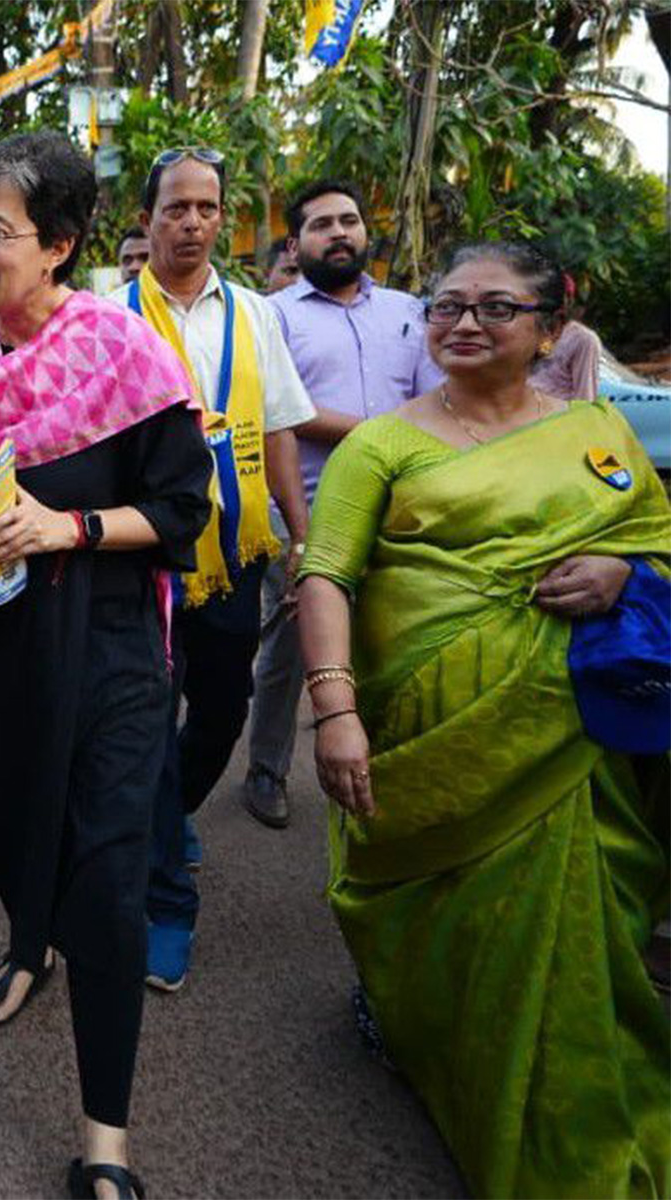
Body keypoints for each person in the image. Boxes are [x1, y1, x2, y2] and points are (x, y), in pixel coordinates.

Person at [296, 241, 670, 1198]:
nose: (464, 323)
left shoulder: (599, 434)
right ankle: (432, 1041)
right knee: (443, 928)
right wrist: (335, 710)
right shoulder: (385, 441)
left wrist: (626, 575)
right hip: (428, 734)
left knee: (580, 938)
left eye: (495, 308)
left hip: (573, 736)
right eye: (446, 306)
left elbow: (656, 543)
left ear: (549, 328)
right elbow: (327, 572)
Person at [0, 132, 212, 1200]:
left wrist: (64, 527)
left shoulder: (126, 354)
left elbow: (179, 510)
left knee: (109, 881)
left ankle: (104, 1141)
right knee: (21, 823)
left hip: (106, 651)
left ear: (59, 245)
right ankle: (29, 947)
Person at [127, 147, 316, 992]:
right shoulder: (110, 314)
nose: (194, 222)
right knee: (148, 723)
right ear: (147, 219)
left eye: (208, 206)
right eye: (177, 207)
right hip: (142, 563)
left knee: (223, 714)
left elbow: (278, 428)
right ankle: (168, 901)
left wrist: (300, 536)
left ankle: (162, 819)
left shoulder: (254, 314)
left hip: (235, 557)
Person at [237, 179, 441, 830]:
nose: (341, 233)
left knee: (400, 632)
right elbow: (279, 416)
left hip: (404, 501)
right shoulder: (273, 316)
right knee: (291, 646)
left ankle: (392, 766)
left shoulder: (409, 310)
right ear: (296, 246)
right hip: (306, 503)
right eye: (322, 225)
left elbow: (437, 401)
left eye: (349, 220)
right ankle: (267, 770)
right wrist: (378, 434)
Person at [528, 272, 604, 401]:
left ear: (568, 300)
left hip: (558, 418)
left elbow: (586, 399)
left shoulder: (583, 339)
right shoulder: (530, 331)